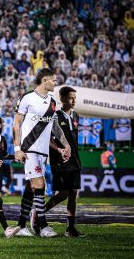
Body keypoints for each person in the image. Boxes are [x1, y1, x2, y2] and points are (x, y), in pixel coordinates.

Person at [13, 68, 70, 237]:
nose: (55, 82)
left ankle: (21, 226)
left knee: (31, 188)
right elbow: (16, 125)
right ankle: (43, 226)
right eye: (53, 80)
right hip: (29, 148)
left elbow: (55, 128)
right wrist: (17, 149)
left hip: (43, 152)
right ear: (44, 80)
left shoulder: (52, 102)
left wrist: (64, 145)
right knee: (40, 185)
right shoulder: (27, 98)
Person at [31, 86, 84, 237]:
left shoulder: (76, 116)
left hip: (74, 159)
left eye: (75, 97)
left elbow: (74, 139)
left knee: (73, 192)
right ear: (62, 99)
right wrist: (60, 150)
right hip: (59, 160)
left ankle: (70, 228)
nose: (73, 100)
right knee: (64, 192)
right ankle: (38, 213)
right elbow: (47, 138)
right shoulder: (55, 115)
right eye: (70, 97)